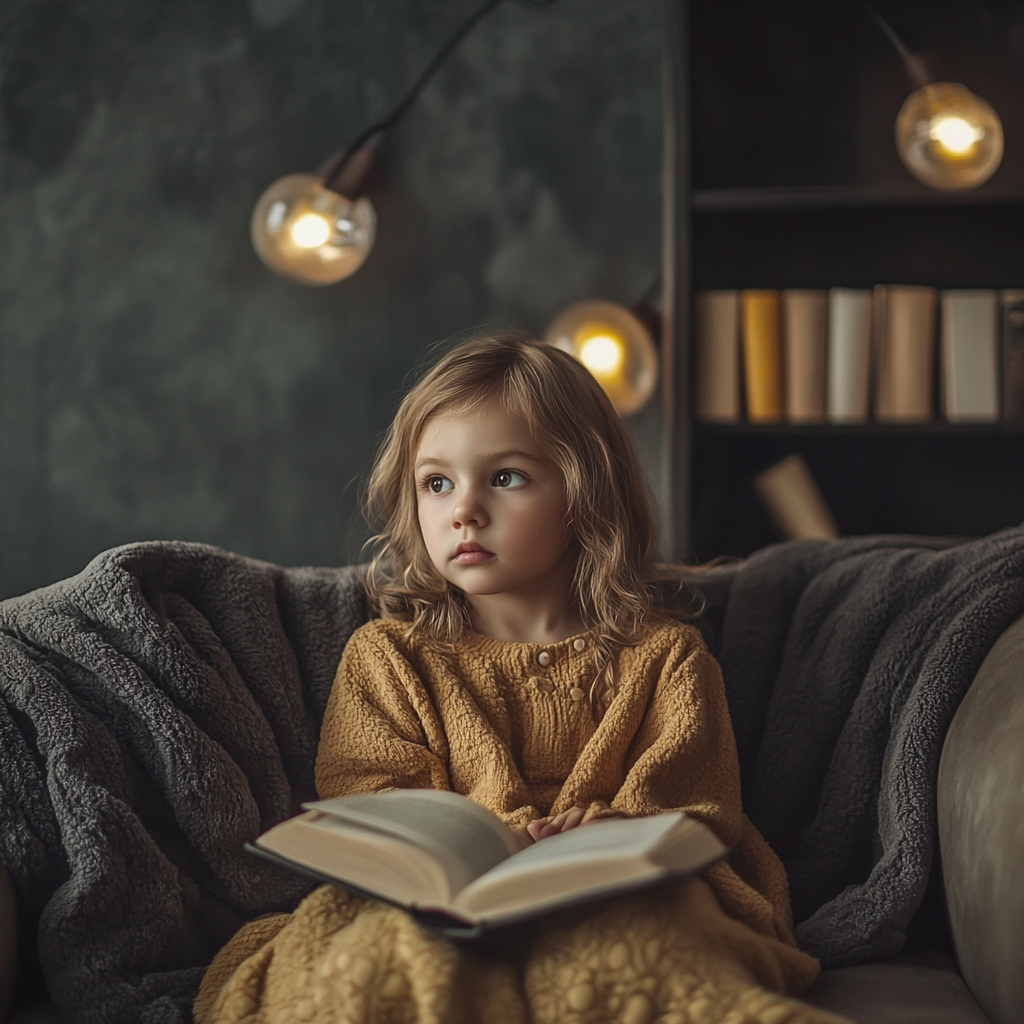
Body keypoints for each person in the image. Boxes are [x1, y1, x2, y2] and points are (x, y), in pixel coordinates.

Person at [194, 333, 846, 1024]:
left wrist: (602, 830)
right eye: (437, 483)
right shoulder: (389, 656)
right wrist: (499, 838)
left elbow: (696, 804)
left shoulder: (666, 657)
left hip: (618, 888)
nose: (463, 510)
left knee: (643, 933)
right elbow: (374, 801)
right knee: (384, 944)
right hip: (443, 905)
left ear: (586, 492)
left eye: (505, 477)